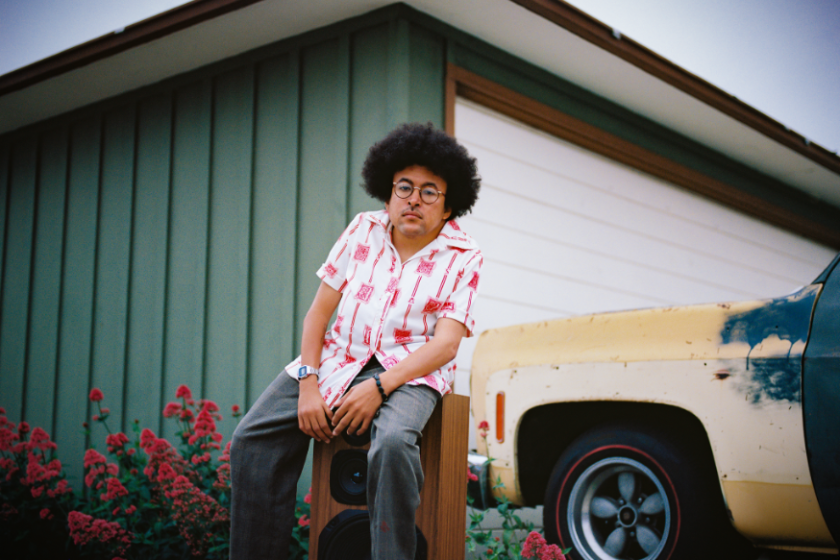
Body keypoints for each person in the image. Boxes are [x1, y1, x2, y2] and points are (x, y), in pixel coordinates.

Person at [229, 122, 483, 560]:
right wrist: (308, 383)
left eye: (429, 191)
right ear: (387, 192)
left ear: (448, 206)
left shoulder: (465, 256)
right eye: (404, 187)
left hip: (411, 370)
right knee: (251, 440)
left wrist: (380, 387)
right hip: (337, 357)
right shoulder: (362, 230)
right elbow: (318, 314)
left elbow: (445, 346)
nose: (413, 200)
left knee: (391, 444)